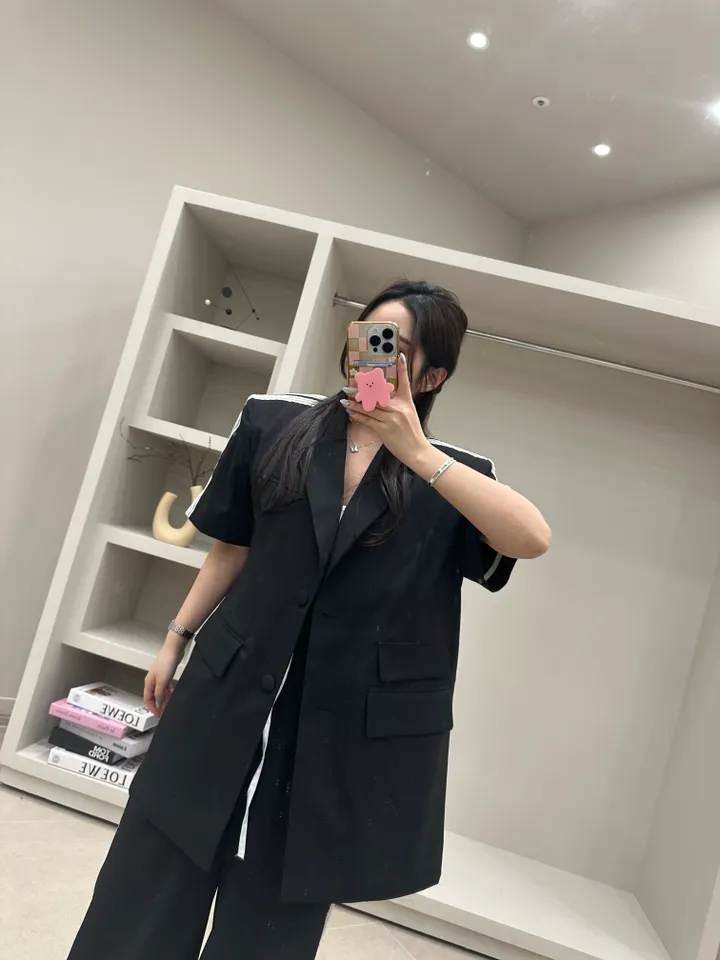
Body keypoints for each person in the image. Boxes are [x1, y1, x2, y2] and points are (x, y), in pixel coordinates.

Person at [68, 280, 551, 960]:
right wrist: (174, 639)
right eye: (366, 334)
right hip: (224, 693)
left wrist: (416, 452)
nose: (369, 354)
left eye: (394, 346)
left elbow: (531, 537)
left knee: (271, 923)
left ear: (432, 375)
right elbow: (232, 547)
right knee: (146, 885)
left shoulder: (451, 476)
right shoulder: (273, 423)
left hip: (333, 740)